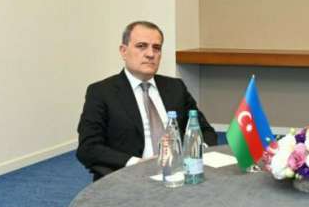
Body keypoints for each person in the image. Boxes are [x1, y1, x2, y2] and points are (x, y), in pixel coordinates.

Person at [77, 21, 217, 180]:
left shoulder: (175, 87)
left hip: (180, 172)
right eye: (141, 46)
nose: (151, 54)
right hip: (131, 177)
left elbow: (205, 130)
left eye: (156, 48)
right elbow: (88, 148)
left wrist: (195, 153)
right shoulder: (102, 92)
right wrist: (136, 163)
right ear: (123, 51)